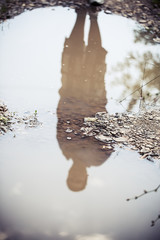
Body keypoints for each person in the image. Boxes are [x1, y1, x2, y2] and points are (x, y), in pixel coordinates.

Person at [56, 8, 111, 192]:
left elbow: (60, 120)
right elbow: (111, 134)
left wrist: (65, 98)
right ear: (85, 177)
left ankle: (80, 13)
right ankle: (94, 16)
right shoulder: (98, 159)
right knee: (95, 55)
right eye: (78, 179)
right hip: (94, 97)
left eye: (72, 178)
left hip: (70, 94)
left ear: (68, 173)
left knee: (72, 53)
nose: (76, 175)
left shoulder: (65, 151)